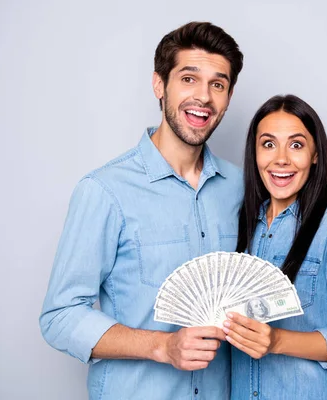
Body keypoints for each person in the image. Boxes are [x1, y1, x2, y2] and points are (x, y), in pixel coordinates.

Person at [39, 22, 244, 400]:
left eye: (218, 84)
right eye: (188, 78)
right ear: (159, 85)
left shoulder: (240, 188)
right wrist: (162, 347)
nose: (203, 97)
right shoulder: (104, 190)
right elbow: (60, 316)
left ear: (229, 96)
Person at [225, 94, 327, 399]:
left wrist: (276, 340)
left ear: (315, 154)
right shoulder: (238, 226)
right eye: (268, 144)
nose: (281, 158)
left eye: (296, 145)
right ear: (254, 153)